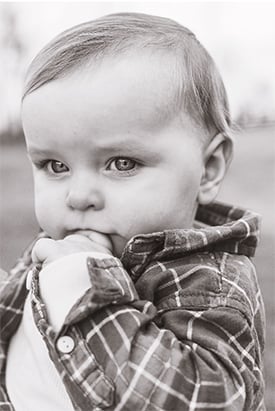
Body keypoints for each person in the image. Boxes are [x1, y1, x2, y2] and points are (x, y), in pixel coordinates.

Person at [0, 12, 265, 411]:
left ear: (207, 169)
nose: (79, 196)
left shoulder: (208, 285)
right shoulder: (59, 246)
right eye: (56, 166)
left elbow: (208, 399)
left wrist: (87, 292)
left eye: (122, 163)